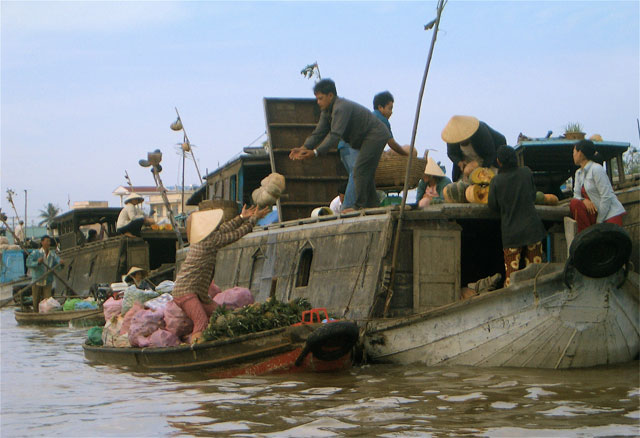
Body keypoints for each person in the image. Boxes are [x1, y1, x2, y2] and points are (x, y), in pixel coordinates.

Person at [289, 79, 405, 209]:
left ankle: (357, 206)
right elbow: (319, 132)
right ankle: (373, 205)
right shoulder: (327, 111)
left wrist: (316, 152)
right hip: (365, 138)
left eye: (321, 98)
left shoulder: (341, 108)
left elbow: (335, 135)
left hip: (375, 136)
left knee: (359, 169)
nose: (318, 102)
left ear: (330, 96)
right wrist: (304, 148)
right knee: (366, 173)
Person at [171, 204, 270, 343]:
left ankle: (220, 343)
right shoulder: (210, 241)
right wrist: (253, 220)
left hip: (197, 293)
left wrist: (242, 217)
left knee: (219, 314)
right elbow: (236, 234)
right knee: (202, 322)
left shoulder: (205, 237)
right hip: (185, 292)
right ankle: (196, 352)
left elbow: (225, 228)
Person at [488, 146, 547, 287]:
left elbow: (493, 206)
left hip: (511, 234)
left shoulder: (496, 181)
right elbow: (533, 196)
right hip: (533, 230)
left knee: (512, 277)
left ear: (499, 162)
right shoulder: (526, 172)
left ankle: (511, 305)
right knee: (535, 275)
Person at [569, 140, 626, 233]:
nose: (573, 155)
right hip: (597, 215)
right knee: (574, 203)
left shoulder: (596, 169)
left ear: (580, 153)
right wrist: (584, 200)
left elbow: (606, 196)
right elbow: (576, 195)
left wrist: (599, 221)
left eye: (574, 152)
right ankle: (586, 234)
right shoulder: (578, 173)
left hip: (609, 214)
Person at [442, 115, 506, 182]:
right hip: (468, 161)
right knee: (465, 182)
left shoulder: (480, 132)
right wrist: (459, 162)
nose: (461, 141)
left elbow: (490, 154)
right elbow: (451, 154)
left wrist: (482, 170)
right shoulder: (452, 139)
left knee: (490, 181)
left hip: (489, 157)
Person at [25, 235, 63, 312]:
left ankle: (46, 315)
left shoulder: (52, 254)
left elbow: (58, 264)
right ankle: (36, 314)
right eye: (47, 241)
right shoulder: (36, 253)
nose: (48, 243)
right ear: (42, 242)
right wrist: (37, 262)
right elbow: (28, 263)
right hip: (37, 280)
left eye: (49, 241)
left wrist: (61, 263)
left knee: (48, 301)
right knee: (36, 301)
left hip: (48, 281)